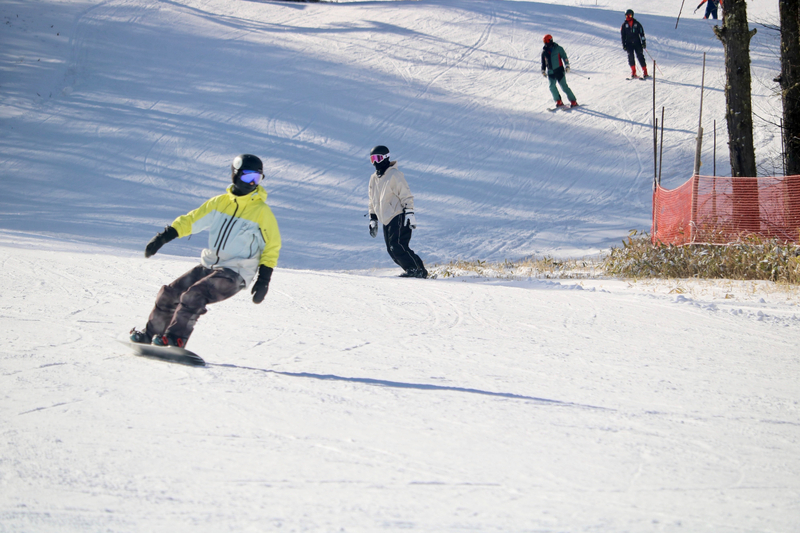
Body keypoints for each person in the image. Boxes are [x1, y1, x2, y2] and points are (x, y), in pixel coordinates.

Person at [129, 154, 281, 348]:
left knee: (194, 295)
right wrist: (163, 237)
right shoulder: (219, 203)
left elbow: (272, 245)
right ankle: (151, 334)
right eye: (248, 176)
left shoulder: (261, 212)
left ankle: (175, 339)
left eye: (257, 178)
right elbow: (192, 220)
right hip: (209, 266)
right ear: (235, 175)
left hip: (235, 272)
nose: (252, 183)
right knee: (170, 293)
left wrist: (263, 280)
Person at [367, 145, 428, 278]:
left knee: (397, 245)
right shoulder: (373, 178)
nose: (375, 162)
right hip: (385, 218)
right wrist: (373, 219)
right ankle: (416, 270)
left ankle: (415, 270)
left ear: (386, 158)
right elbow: (372, 200)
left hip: (398, 214)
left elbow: (406, 194)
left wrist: (409, 212)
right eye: (372, 159)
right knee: (391, 249)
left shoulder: (394, 175)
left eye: (378, 158)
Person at [540, 34, 578, 108]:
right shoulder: (544, 52)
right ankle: (558, 101)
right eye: (544, 42)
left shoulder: (558, 48)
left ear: (550, 40)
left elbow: (564, 56)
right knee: (552, 86)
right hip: (551, 72)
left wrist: (567, 65)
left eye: (546, 41)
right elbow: (543, 63)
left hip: (559, 70)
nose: (546, 43)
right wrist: (543, 70)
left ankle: (573, 101)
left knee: (564, 86)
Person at [620, 9, 648, 79]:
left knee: (640, 56)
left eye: (629, 15)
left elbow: (641, 33)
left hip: (637, 43)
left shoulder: (637, 24)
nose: (628, 17)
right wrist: (624, 44)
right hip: (629, 43)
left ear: (632, 16)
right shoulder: (624, 25)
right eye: (627, 16)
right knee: (630, 57)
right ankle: (633, 72)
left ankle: (645, 72)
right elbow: (623, 36)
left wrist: (643, 42)